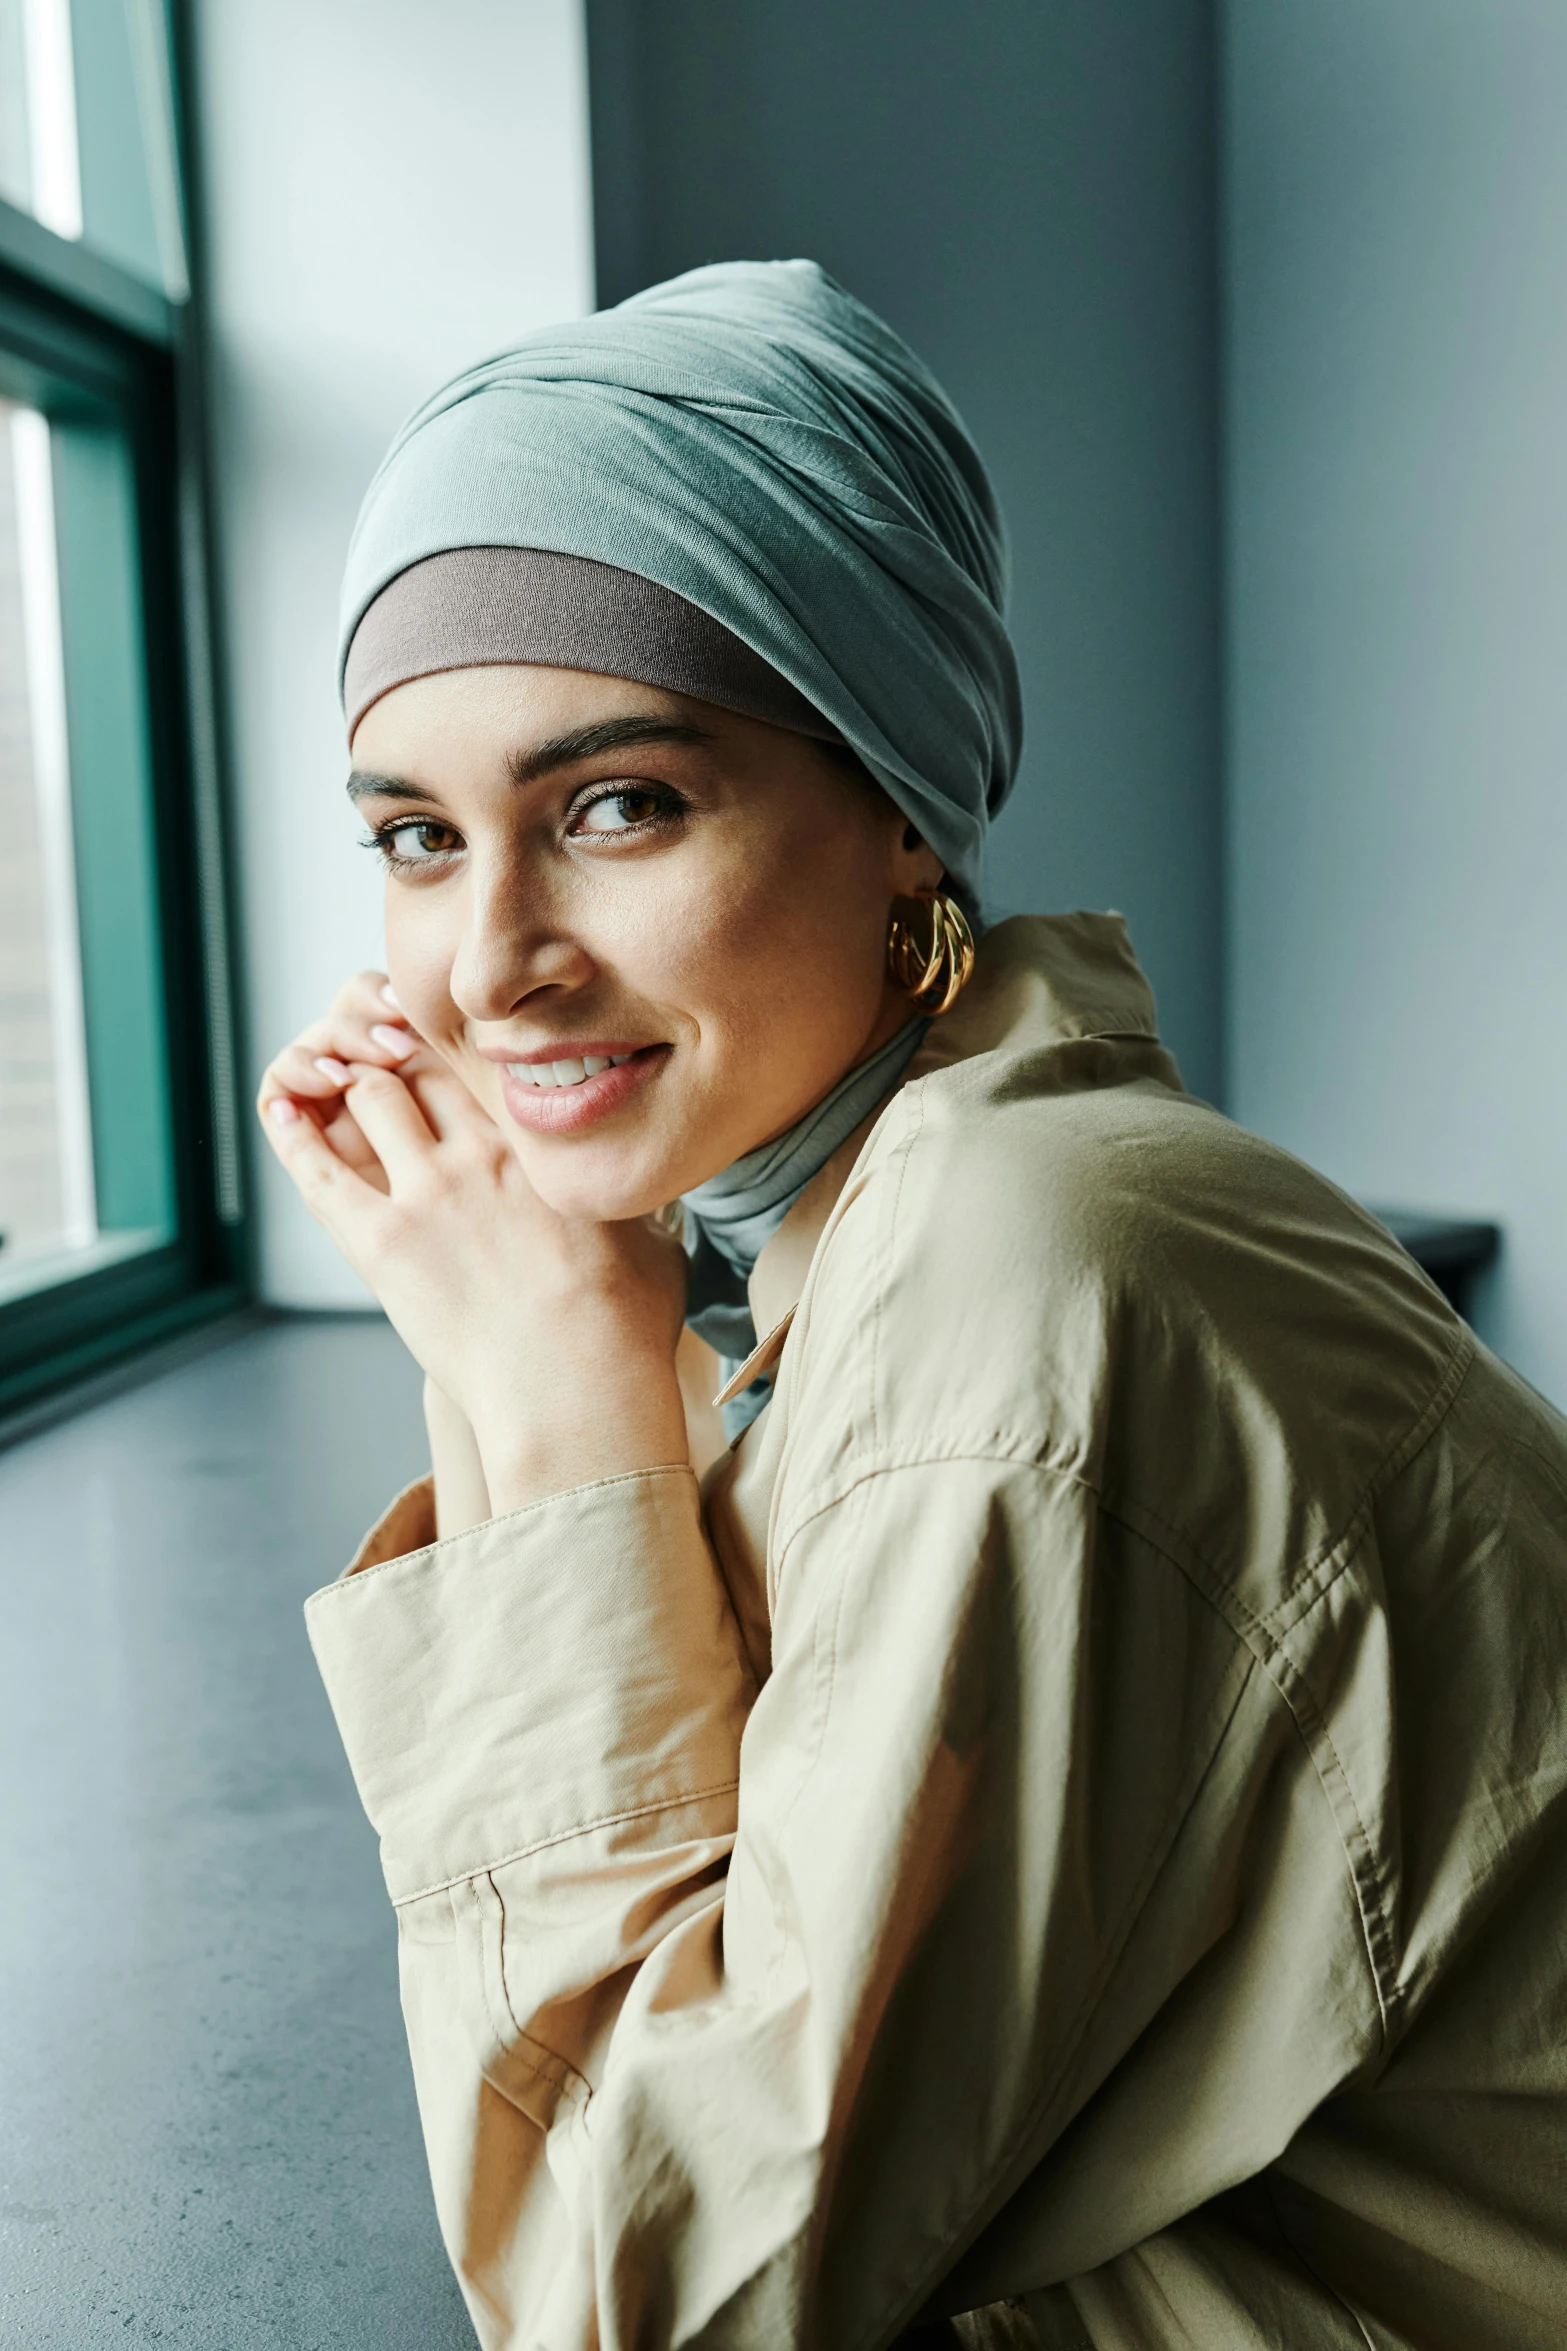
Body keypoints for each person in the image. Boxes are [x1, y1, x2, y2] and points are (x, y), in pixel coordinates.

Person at [258, 263, 1567, 2351]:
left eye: (615, 804)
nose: (487, 958)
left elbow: (647, 2282)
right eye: (417, 836)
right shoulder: (862, 1229)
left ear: (898, 816)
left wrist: (558, 1378)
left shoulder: (1035, 1269)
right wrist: (536, 1345)